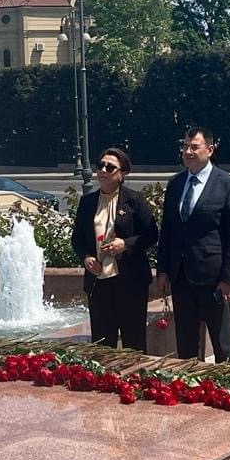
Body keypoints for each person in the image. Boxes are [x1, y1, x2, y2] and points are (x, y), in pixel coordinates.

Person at [156, 127, 230, 363]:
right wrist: (163, 270)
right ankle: (190, 381)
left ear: (210, 149)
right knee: (186, 344)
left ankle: (226, 382)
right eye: (185, 147)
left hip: (214, 279)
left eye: (194, 147)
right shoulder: (176, 184)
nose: (188, 152)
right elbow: (167, 231)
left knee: (222, 343)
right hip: (181, 276)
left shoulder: (227, 184)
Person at [72, 147, 158, 351]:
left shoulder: (134, 200)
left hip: (130, 282)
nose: (103, 170)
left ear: (122, 173)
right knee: (102, 344)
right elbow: (77, 239)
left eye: (110, 167)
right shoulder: (87, 202)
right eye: (100, 166)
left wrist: (125, 244)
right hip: (99, 282)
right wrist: (86, 257)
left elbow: (152, 234)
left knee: (134, 343)